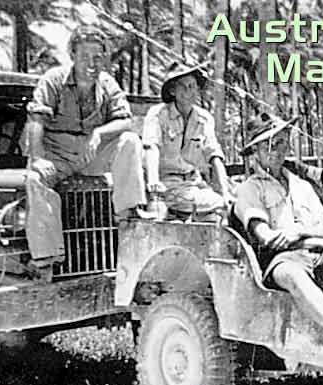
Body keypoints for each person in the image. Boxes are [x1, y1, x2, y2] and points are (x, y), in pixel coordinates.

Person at [234, 112, 323, 366]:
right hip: (282, 262)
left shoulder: (302, 185)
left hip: (319, 252)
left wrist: (300, 233)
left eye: (283, 142)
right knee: (291, 273)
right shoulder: (250, 189)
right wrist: (295, 237)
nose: (279, 150)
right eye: (271, 145)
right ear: (254, 151)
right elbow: (265, 237)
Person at [24, 25, 146, 275]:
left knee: (130, 141)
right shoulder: (53, 80)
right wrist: (37, 158)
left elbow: (126, 120)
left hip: (92, 153)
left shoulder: (107, 83)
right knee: (34, 179)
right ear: (72, 55)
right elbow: (36, 121)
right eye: (84, 56)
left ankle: (127, 217)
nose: (91, 63)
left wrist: (100, 133)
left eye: (98, 57)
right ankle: (48, 258)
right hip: (58, 153)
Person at [142, 62, 232, 219]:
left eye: (192, 86)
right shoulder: (158, 115)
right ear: (172, 91)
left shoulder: (204, 119)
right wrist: (153, 181)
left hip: (194, 184)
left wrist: (226, 192)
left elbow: (214, 154)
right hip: (165, 185)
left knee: (224, 210)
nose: (188, 91)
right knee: (158, 216)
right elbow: (152, 148)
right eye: (183, 86)